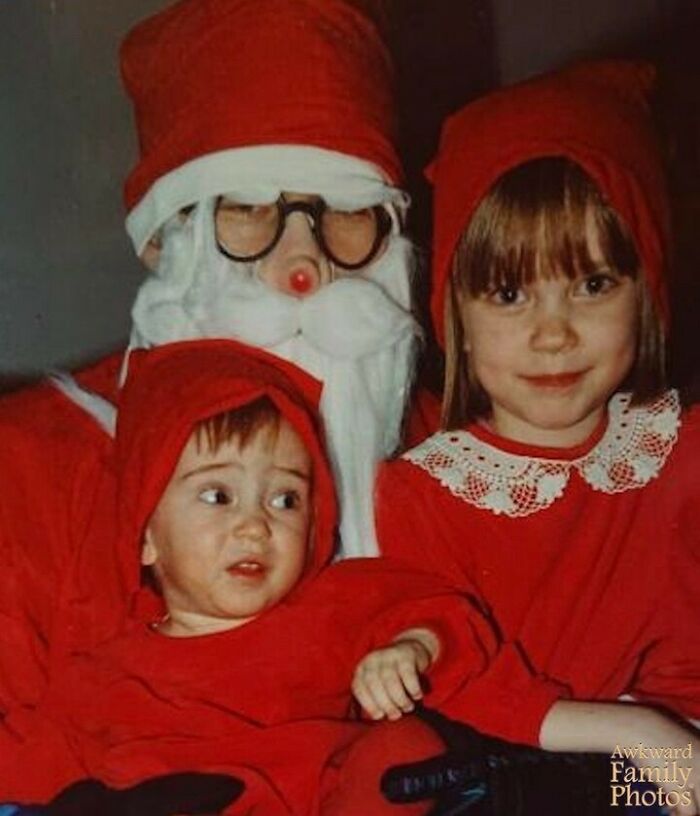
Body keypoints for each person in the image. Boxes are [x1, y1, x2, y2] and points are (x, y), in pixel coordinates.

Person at [0, 0, 433, 720]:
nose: (304, 268)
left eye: (348, 214)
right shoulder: (27, 467)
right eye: (249, 211)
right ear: (165, 241)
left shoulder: (455, 458)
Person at [376, 61, 700, 813]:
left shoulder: (676, 447)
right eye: (510, 292)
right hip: (515, 774)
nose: (553, 335)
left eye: (592, 285)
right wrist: (638, 735)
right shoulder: (422, 491)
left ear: (646, 284)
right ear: (452, 311)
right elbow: (453, 676)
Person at [0, 339, 500, 815]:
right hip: (171, 800)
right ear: (145, 538)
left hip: (322, 798)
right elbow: (30, 764)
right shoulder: (103, 672)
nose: (255, 526)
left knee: (407, 747)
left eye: (285, 500)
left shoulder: (327, 610)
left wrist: (409, 648)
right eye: (218, 496)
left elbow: (450, 614)